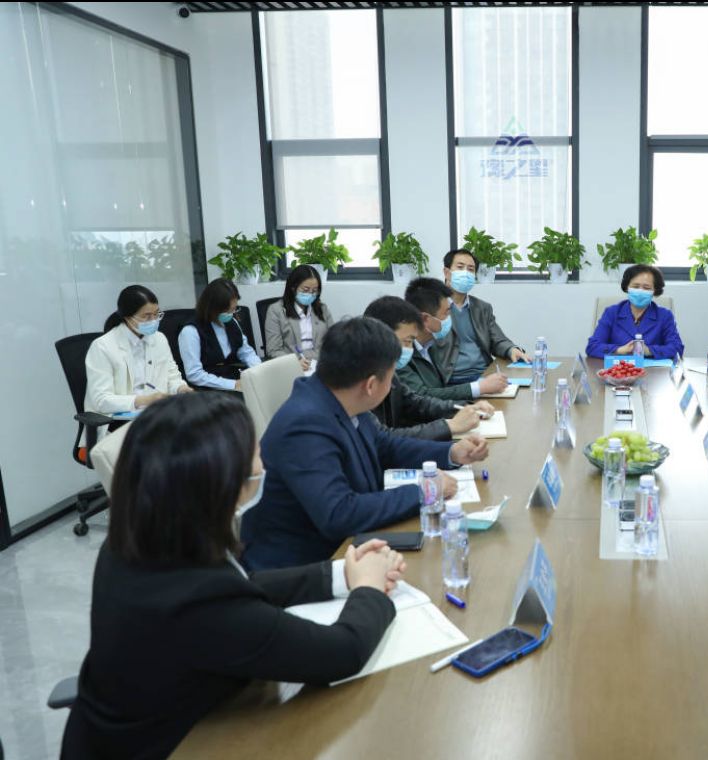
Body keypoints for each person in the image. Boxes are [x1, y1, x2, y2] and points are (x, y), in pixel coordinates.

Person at [61, 392, 405, 760]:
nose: (263, 463)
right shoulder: (202, 603)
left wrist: (341, 574)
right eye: (255, 454)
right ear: (224, 482)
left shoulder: (141, 539)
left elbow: (240, 586)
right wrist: (369, 588)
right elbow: (342, 651)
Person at [240, 317, 490, 571]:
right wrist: (425, 491)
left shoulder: (339, 397)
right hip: (302, 570)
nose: (392, 386)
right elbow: (339, 513)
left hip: (347, 546)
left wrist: (451, 452)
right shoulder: (304, 425)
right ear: (371, 385)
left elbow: (386, 446)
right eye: (391, 378)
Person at [362, 295, 495, 440]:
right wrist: (449, 427)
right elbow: (383, 438)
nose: (410, 349)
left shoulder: (388, 371)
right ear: (381, 337)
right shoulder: (360, 381)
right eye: (407, 342)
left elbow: (417, 403)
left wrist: (465, 408)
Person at [84, 285, 191, 413]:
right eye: (147, 316)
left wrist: (181, 388)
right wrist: (145, 400)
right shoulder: (102, 346)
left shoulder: (159, 339)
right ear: (128, 317)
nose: (154, 320)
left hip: (157, 412)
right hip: (118, 418)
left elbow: (172, 377)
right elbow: (101, 401)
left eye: (156, 314)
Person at [400, 278, 510, 401]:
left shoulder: (429, 345)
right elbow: (422, 396)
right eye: (446, 313)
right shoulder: (402, 355)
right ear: (425, 319)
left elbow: (440, 392)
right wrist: (479, 387)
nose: (450, 319)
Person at [440, 248, 529, 384]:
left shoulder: (482, 308)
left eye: (470, 269)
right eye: (460, 267)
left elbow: (497, 340)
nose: (465, 273)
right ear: (447, 272)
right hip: (453, 378)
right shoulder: (432, 307)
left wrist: (511, 350)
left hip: (485, 374)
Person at [586, 264, 685, 359]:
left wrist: (648, 351)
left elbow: (677, 348)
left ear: (654, 291)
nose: (640, 291)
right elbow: (592, 347)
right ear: (627, 287)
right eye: (635, 286)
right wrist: (620, 350)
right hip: (619, 369)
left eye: (646, 288)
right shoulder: (612, 313)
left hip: (652, 369)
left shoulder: (665, 316)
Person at [178, 278, 261, 391]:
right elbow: (194, 375)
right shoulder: (190, 331)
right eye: (227, 311)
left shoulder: (231, 322)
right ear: (212, 308)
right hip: (207, 386)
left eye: (234, 309)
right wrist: (232, 384)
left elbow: (246, 353)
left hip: (232, 377)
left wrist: (259, 371)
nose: (231, 314)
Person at [264, 264, 334, 367]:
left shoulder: (322, 309)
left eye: (314, 291)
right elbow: (273, 350)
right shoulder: (276, 311)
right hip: (291, 365)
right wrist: (293, 362)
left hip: (321, 364)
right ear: (293, 288)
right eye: (305, 290)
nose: (310, 294)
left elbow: (334, 341)